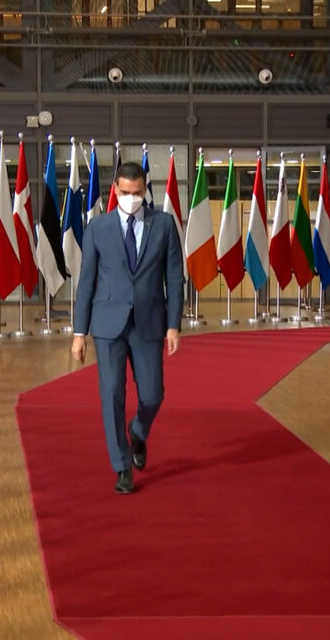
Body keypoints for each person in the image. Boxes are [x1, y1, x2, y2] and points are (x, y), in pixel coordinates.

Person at [71, 161, 185, 494]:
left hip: (149, 322)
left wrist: (174, 325)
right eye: (125, 192)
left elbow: (174, 278)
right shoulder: (98, 227)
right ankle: (122, 467)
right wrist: (79, 333)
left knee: (153, 394)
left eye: (137, 193)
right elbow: (87, 281)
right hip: (108, 324)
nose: (131, 198)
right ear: (115, 191)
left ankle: (138, 431)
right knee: (111, 395)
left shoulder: (164, 224)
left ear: (145, 190)